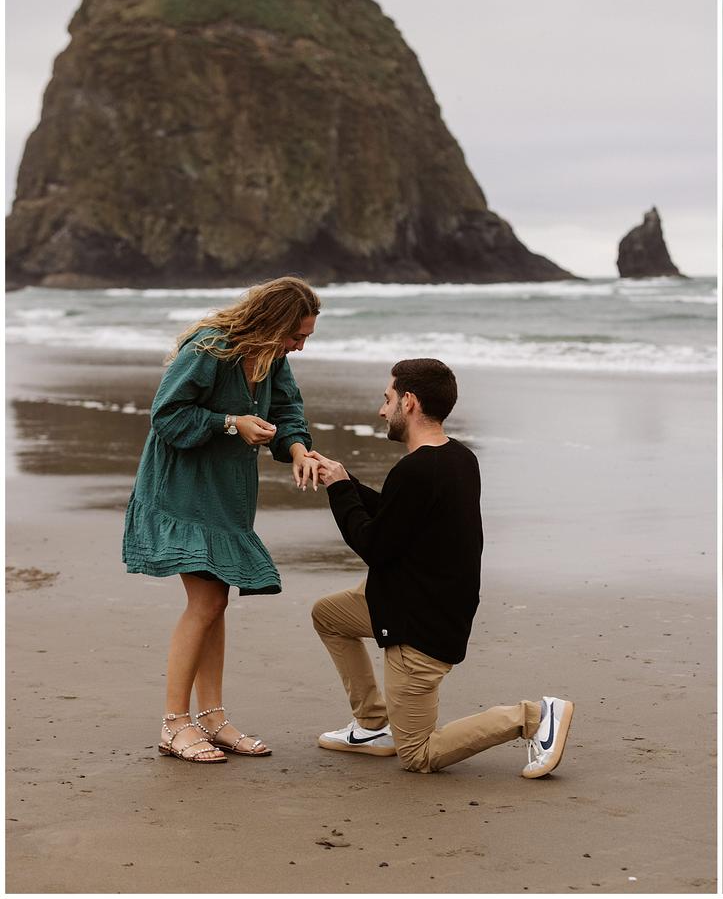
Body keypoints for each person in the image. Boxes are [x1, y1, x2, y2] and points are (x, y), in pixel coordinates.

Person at [306, 358, 573, 778]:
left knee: (418, 755)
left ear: (409, 402)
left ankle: (534, 717)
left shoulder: (415, 470)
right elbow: (399, 517)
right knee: (329, 615)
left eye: (387, 399)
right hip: (424, 602)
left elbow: (374, 546)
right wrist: (343, 480)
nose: (382, 410)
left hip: (419, 628)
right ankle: (373, 724)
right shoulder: (458, 458)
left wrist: (341, 491)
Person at [124, 275, 322, 763]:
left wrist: (298, 449)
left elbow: (287, 410)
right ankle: (175, 723)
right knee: (208, 600)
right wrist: (231, 423)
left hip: (228, 494)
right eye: (296, 335)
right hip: (181, 489)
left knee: (216, 600)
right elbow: (166, 416)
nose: (299, 346)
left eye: (305, 338)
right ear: (272, 323)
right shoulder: (209, 349)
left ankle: (211, 718)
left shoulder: (272, 358)